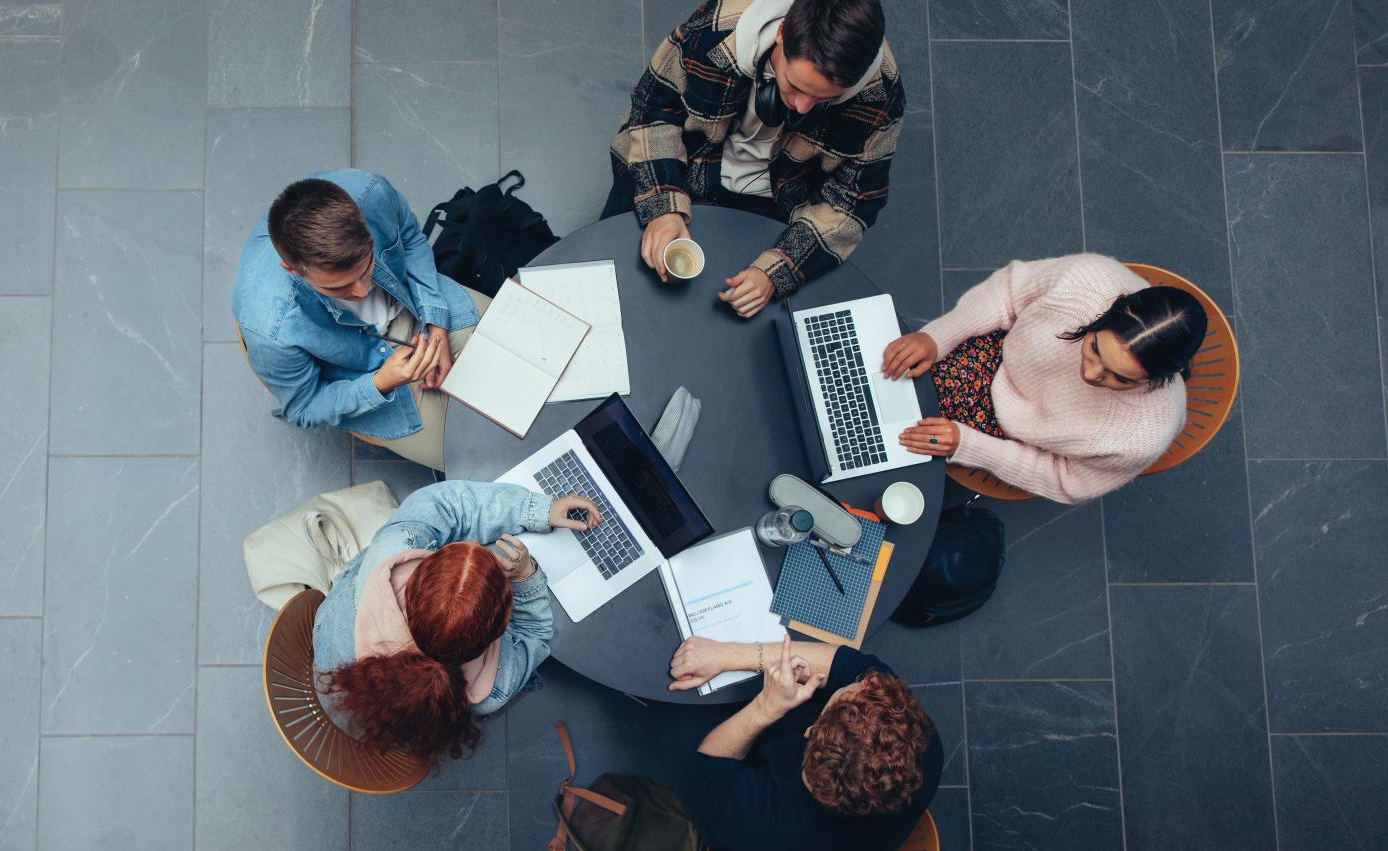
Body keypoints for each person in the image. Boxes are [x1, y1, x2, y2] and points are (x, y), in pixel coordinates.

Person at [608, 0, 904, 318]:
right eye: (794, 86)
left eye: (825, 98)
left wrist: (774, 273)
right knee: (610, 275)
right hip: (682, 166)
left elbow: (851, 206)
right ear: (780, 35)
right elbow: (651, 112)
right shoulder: (712, 32)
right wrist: (663, 206)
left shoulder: (881, 97)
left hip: (779, 200)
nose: (802, 108)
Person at [313, 481, 600, 768]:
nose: (475, 544)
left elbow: (442, 504)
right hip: (380, 722)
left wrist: (539, 509)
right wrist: (526, 576)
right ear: (497, 630)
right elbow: (534, 635)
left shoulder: (392, 549)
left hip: (333, 682)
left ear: (418, 581)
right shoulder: (493, 690)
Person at [880, 253, 1208, 504]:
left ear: (1157, 379)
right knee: (885, 375)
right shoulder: (1087, 280)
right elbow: (1006, 294)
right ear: (1108, 311)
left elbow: (1063, 479)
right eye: (1094, 348)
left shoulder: (1141, 437)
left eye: (1121, 378)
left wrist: (969, 445)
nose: (1091, 374)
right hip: (999, 355)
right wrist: (938, 337)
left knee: (899, 460)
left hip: (1014, 438)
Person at [233, 170, 490, 470]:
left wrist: (436, 324)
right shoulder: (270, 330)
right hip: (363, 373)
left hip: (412, 297)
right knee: (480, 458)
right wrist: (382, 382)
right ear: (292, 269)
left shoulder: (372, 193)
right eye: (338, 288)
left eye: (366, 267)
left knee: (531, 353)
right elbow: (303, 407)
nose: (363, 290)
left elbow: (410, 238)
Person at [667, 634, 940, 850]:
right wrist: (727, 655)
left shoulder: (765, 825)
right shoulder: (922, 744)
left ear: (810, 732)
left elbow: (705, 771)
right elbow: (847, 664)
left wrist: (766, 707)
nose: (857, 681)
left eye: (842, 693)